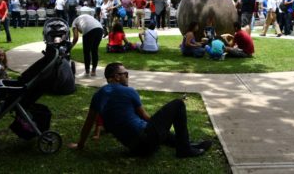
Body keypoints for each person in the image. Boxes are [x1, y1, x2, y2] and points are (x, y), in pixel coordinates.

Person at [68, 62, 212, 158]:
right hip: (147, 141)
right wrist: (161, 121)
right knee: (178, 104)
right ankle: (184, 150)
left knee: (157, 130)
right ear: (117, 77)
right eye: (126, 73)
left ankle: (189, 144)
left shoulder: (98, 95)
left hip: (137, 150)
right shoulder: (129, 91)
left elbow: (89, 122)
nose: (128, 76)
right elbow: (145, 117)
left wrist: (80, 145)